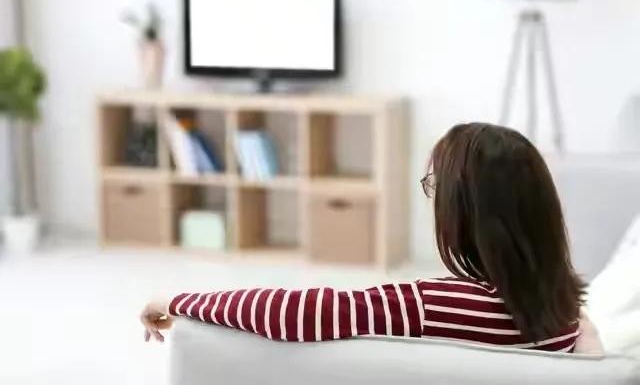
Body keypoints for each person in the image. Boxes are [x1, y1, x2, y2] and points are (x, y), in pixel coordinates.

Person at [141, 123, 593, 352]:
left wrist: (175, 300)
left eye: (436, 188)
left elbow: (291, 311)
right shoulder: (566, 315)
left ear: (466, 212)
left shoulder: (428, 306)